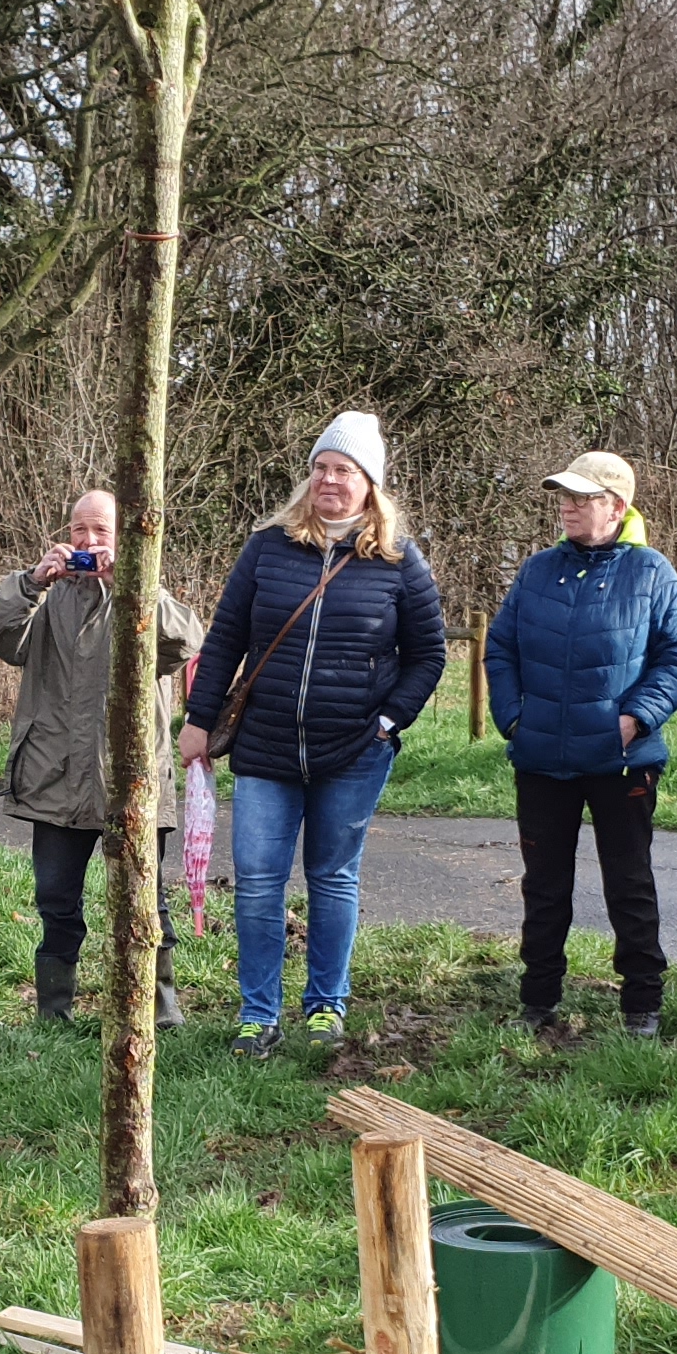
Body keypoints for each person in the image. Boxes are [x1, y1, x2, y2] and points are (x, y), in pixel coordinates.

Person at [181, 411, 446, 1054]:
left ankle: (326, 1005)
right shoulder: (268, 547)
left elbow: (428, 654)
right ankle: (257, 1014)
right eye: (321, 468)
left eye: (344, 471)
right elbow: (224, 642)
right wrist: (199, 720)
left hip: (353, 751)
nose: (330, 480)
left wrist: (387, 723)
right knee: (258, 880)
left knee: (332, 878)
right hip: (267, 746)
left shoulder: (397, 562)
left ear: (370, 484)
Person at [482, 450, 677, 1039]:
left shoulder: (651, 572)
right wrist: (514, 718)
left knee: (629, 884)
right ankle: (538, 999)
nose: (568, 506)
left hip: (620, 760)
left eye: (583, 498)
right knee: (544, 885)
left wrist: (635, 718)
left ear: (617, 507)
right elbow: (499, 649)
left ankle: (642, 1007)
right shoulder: (535, 571)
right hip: (541, 759)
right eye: (565, 496)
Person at [0, 487, 203, 1030]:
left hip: (132, 781)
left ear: (123, 538)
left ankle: (159, 1011)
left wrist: (132, 582)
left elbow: (188, 641)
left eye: (101, 531)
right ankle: (55, 1015)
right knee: (56, 901)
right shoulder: (46, 599)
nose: (89, 541)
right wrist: (31, 582)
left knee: (147, 902)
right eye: (80, 530)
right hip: (54, 777)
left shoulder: (145, 596)